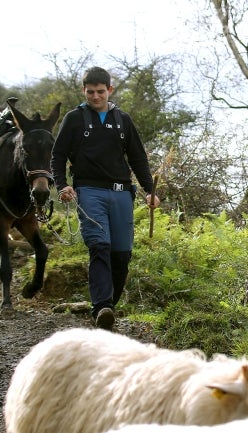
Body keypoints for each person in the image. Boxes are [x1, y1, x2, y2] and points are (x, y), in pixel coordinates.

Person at [51, 67, 159, 330]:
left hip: (122, 193)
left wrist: (149, 190)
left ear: (110, 90)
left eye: (101, 92)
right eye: (91, 92)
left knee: (121, 255)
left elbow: (138, 158)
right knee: (99, 245)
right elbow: (57, 156)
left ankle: (109, 309)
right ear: (84, 91)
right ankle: (101, 307)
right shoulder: (74, 119)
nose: (96, 96)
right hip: (89, 192)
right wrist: (63, 185)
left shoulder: (123, 119)